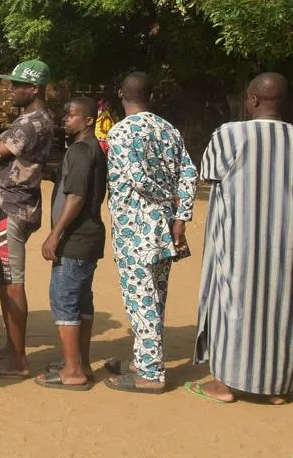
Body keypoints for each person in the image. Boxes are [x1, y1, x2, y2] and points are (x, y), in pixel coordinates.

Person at [187, 73, 293, 405]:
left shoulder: (230, 134)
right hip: (285, 246)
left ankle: (224, 383)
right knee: (280, 306)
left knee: (231, 305)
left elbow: (207, 173)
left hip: (237, 243)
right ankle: (275, 386)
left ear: (253, 100)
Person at [104, 72, 197, 394]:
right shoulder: (169, 130)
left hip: (136, 228)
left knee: (140, 300)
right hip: (166, 226)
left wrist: (164, 197)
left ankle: (150, 373)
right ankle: (144, 358)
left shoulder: (120, 132)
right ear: (152, 96)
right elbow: (188, 172)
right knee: (155, 297)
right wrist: (180, 214)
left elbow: (136, 178)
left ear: (120, 94)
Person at [0, 59, 55, 380]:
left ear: (34, 88)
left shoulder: (30, 123)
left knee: (11, 282)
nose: (11, 90)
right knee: (4, 280)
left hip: (11, 208)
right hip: (15, 205)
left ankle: (17, 359)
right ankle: (11, 347)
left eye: (18, 85)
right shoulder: (35, 119)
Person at [35, 97, 108, 390]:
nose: (66, 118)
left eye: (73, 114)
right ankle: (81, 362)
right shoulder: (92, 149)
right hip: (90, 238)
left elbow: (76, 196)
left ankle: (73, 370)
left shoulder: (80, 149)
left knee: (64, 299)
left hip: (75, 239)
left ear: (89, 120)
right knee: (81, 300)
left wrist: (55, 234)